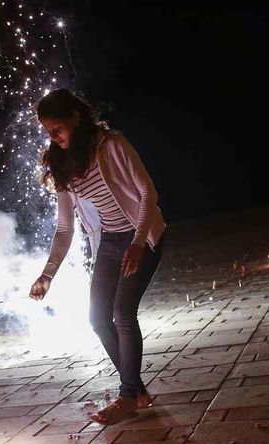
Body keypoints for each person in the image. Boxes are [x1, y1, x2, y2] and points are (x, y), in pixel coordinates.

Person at [28, 89, 166, 425]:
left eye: (57, 128)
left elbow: (147, 192)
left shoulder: (113, 144)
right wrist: (47, 273)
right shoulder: (62, 163)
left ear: (76, 117)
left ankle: (127, 396)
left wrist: (137, 243)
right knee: (97, 318)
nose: (53, 137)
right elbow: (65, 228)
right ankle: (138, 391)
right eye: (48, 132)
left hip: (143, 236)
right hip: (110, 241)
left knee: (122, 312)